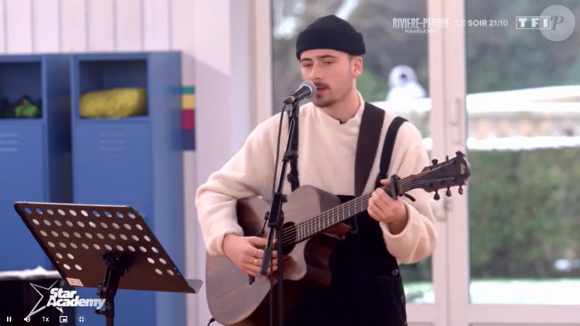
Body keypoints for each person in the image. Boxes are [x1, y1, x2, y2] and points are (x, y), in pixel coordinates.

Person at [196, 15, 438, 326]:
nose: (315, 74)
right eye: (307, 64)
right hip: (295, 305)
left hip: (372, 307)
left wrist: (399, 219)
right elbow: (214, 192)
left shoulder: (396, 136)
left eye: (327, 62)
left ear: (356, 67)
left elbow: (422, 244)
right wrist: (229, 242)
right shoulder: (280, 131)